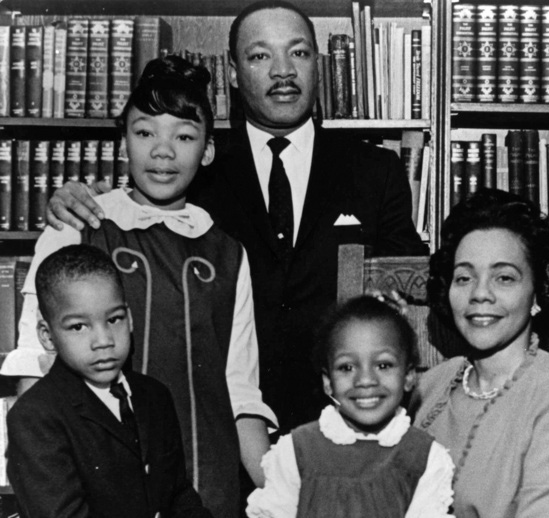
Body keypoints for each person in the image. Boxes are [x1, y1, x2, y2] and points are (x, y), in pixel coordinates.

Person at [45, 0, 427, 433]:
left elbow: (407, 286)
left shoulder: (375, 171)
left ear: (318, 65)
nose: (283, 71)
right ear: (232, 71)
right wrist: (75, 198)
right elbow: (132, 214)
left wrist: (393, 301)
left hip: (343, 421)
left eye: (298, 53)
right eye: (260, 55)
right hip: (217, 427)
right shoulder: (195, 166)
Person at [2, 56, 276, 518]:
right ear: (123, 141)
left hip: (204, 477)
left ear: (208, 150)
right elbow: (36, 368)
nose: (163, 152)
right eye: (145, 132)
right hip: (95, 482)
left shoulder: (228, 253)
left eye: (184, 137)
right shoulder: (77, 226)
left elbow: (240, 390)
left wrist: (285, 491)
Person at [411, 189, 549, 517]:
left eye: (504, 278)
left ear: (537, 293)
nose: (480, 293)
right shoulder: (430, 387)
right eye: (464, 277)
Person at [7, 244, 214, 518]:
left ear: (129, 319)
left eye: (114, 319)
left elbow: (179, 496)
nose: (104, 341)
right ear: (47, 335)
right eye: (79, 326)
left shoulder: (155, 396)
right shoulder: (35, 416)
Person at [246, 296, 455, 518]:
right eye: (347, 367)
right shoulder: (296, 452)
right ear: (328, 382)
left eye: (383, 365)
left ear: (409, 376)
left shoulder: (425, 458)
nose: (365, 380)